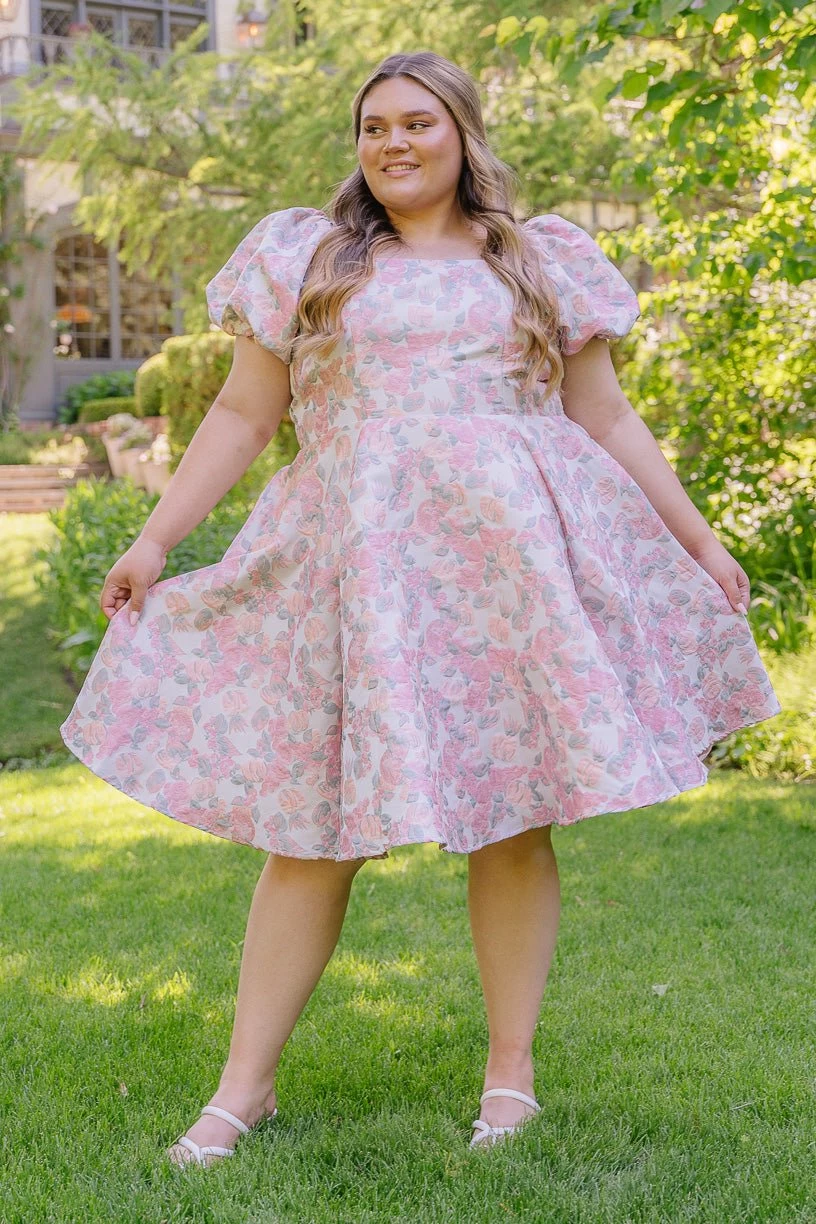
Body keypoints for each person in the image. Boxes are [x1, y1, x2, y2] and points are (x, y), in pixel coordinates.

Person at [59, 50, 782, 1166]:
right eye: (374, 126)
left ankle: (511, 1077)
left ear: (463, 134)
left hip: (507, 573)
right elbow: (246, 414)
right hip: (358, 565)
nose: (393, 142)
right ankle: (242, 1091)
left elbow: (605, 417)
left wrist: (699, 539)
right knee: (310, 829)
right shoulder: (313, 257)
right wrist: (155, 539)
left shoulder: (537, 261)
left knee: (515, 814)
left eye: (417, 122)